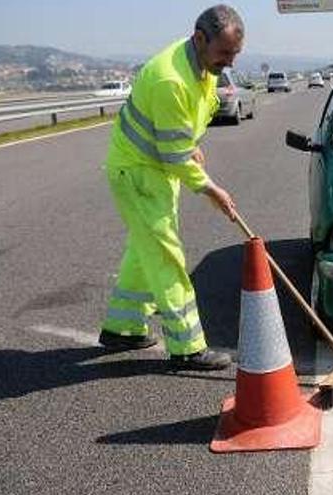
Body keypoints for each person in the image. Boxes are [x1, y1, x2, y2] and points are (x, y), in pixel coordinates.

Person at [98, 5, 243, 370]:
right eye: (224, 53)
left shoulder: (203, 66)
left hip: (155, 169)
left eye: (234, 54)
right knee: (166, 257)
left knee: (144, 248)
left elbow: (187, 125)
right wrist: (214, 191)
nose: (228, 62)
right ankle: (188, 346)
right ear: (199, 38)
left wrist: (191, 142)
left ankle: (122, 327)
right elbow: (175, 157)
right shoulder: (171, 79)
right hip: (138, 173)